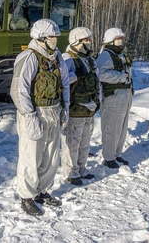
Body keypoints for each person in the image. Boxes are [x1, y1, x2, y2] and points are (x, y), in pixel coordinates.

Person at [10, 19, 70, 216]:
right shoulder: (28, 57)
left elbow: (65, 83)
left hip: (54, 109)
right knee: (31, 155)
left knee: (51, 155)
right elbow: (19, 90)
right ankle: (26, 196)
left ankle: (42, 190)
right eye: (53, 37)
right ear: (42, 38)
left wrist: (65, 108)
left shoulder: (56, 56)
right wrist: (30, 116)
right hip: (36, 112)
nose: (56, 40)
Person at [61, 27, 101, 185]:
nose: (89, 42)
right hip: (75, 107)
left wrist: (98, 98)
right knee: (72, 142)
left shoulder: (90, 59)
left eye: (89, 39)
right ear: (76, 41)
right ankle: (71, 172)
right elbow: (62, 80)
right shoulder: (68, 58)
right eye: (86, 40)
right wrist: (75, 75)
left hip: (89, 107)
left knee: (85, 141)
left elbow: (97, 80)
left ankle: (81, 168)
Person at [96, 27, 133, 168]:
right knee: (111, 127)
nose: (121, 41)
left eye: (121, 38)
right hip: (113, 95)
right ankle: (109, 157)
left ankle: (117, 154)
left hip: (125, 94)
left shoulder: (120, 55)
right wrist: (120, 78)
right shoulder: (106, 55)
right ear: (110, 40)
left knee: (122, 127)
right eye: (118, 38)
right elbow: (101, 74)